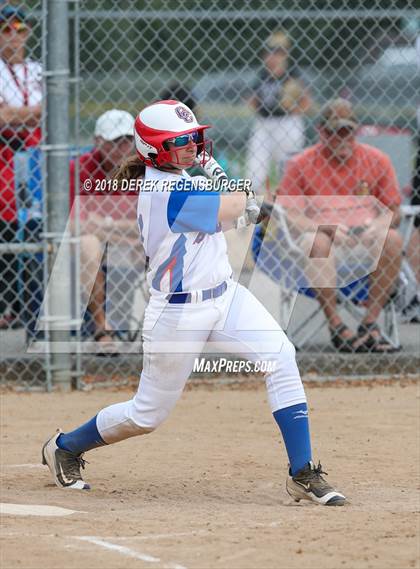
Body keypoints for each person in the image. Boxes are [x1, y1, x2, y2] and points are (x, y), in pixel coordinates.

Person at [41, 99, 346, 507]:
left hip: (226, 295)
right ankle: (65, 446)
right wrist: (244, 200)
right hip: (178, 312)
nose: (192, 146)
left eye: (193, 138)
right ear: (155, 150)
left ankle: (302, 471)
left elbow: (234, 206)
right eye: (181, 141)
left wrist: (242, 200)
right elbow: (234, 207)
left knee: (281, 356)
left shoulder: (182, 175)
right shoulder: (163, 191)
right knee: (146, 415)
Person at [277, 98, 403, 353]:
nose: (342, 137)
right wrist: (323, 227)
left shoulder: (377, 160)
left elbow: (394, 210)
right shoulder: (300, 164)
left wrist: (378, 225)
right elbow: (290, 214)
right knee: (318, 242)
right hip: (321, 242)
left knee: (392, 238)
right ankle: (336, 325)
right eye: (334, 132)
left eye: (348, 131)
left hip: (366, 242)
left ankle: (369, 323)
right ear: (321, 132)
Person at [69, 109, 139, 346]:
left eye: (127, 142)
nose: (120, 149)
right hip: (98, 243)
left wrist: (105, 224)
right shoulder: (79, 167)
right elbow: (77, 224)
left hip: (131, 243)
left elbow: (148, 223)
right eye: (113, 142)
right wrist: (123, 231)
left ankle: (164, 329)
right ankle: (101, 326)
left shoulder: (143, 169)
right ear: (97, 141)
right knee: (89, 244)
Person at [0, 5, 42, 328]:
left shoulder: (38, 70)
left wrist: (15, 114)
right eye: (5, 30)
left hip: (37, 152)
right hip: (5, 152)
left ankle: (31, 305)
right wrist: (34, 112)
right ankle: (6, 305)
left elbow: (52, 110)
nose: (13, 37)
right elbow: (3, 118)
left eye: (19, 29)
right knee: (6, 220)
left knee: (37, 223)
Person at [246, 30, 311, 193]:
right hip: (263, 123)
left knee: (287, 169)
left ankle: (288, 208)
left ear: (284, 56)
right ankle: (255, 210)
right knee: (255, 170)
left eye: (277, 54)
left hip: (287, 123)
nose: (271, 58)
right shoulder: (262, 75)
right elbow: (252, 99)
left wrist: (294, 109)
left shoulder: (292, 75)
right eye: (268, 54)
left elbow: (307, 102)